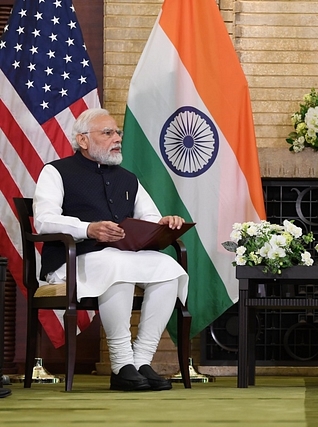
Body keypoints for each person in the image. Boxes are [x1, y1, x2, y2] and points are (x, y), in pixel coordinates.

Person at [33, 108, 189, 391]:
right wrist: (88, 229)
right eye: (108, 133)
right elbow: (44, 220)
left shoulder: (128, 178)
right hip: (74, 259)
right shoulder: (56, 171)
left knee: (169, 269)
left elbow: (149, 217)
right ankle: (121, 364)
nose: (117, 138)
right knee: (117, 264)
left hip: (119, 257)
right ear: (82, 140)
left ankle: (141, 361)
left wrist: (164, 222)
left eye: (118, 133)